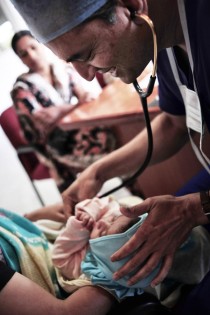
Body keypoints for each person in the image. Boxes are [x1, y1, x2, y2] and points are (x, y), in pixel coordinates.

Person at [8, 0, 210, 313]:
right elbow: (174, 121)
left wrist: (195, 209)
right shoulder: (165, 39)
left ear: (130, 6)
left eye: (87, 54)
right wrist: (98, 172)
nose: (87, 78)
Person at [52, 196, 210, 307]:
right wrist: (88, 214)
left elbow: (59, 259)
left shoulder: (94, 266)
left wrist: (77, 228)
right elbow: (104, 202)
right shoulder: (119, 218)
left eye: (101, 235)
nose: (102, 223)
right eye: (113, 219)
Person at [11, 30, 116, 192]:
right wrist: (74, 106)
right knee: (111, 145)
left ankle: (139, 188)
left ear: (41, 45)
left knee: (115, 131)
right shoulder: (21, 89)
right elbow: (42, 124)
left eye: (33, 47)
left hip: (73, 128)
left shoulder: (62, 70)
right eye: (24, 54)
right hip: (51, 143)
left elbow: (83, 97)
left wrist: (60, 111)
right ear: (20, 59)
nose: (31, 56)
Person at [0, 207, 115, 315]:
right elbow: (65, 312)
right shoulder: (78, 264)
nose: (104, 222)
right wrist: (115, 274)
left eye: (113, 220)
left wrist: (30, 217)